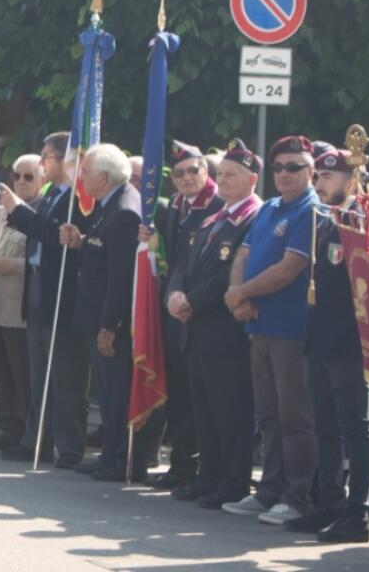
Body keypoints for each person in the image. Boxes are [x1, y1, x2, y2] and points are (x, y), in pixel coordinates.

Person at [222, 135, 319, 525]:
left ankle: (298, 497)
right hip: (258, 324)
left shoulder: (311, 212)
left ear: (310, 171)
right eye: (279, 167)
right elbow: (244, 253)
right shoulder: (271, 208)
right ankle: (270, 491)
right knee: (269, 413)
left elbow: (290, 268)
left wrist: (242, 291)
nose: (284, 174)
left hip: (291, 329)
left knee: (294, 415)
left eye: (294, 167)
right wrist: (235, 293)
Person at [166, 138, 264, 509]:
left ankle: (233, 481)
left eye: (231, 175)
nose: (222, 181)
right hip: (195, 330)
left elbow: (229, 274)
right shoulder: (213, 217)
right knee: (203, 410)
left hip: (224, 332)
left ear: (252, 179)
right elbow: (182, 264)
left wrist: (191, 299)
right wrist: (174, 293)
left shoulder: (254, 217)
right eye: (220, 174)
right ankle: (209, 476)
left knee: (230, 411)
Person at [285, 148, 369, 542]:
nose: (319, 185)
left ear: (351, 179)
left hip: (353, 343)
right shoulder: (325, 220)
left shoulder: (365, 221)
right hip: (321, 338)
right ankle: (329, 502)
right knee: (325, 425)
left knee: (356, 427)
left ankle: (358, 513)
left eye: (327, 177)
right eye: (317, 177)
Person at [0, 131, 90, 466]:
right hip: (38, 289)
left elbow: (51, 234)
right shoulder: (54, 193)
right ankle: (36, 437)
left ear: (66, 159)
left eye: (47, 156)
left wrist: (16, 209)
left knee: (65, 377)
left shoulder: (79, 198)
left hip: (60, 296)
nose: (42, 163)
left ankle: (69, 446)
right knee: (39, 374)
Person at [59, 143, 143, 481]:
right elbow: (99, 257)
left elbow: (120, 278)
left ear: (104, 178)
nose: (81, 177)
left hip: (111, 323)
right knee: (107, 394)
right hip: (97, 316)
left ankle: (123, 458)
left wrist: (110, 325)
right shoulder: (108, 205)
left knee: (117, 392)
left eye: (86, 171)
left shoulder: (123, 211)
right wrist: (82, 242)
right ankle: (111, 454)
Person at [143, 141, 224, 490]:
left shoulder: (219, 205)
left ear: (206, 172)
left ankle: (207, 469)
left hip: (204, 313)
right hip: (174, 308)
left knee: (202, 397)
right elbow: (173, 256)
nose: (187, 177)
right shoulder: (174, 205)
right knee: (178, 392)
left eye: (194, 170)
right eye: (179, 173)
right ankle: (181, 463)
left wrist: (187, 297)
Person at [0, 154, 41, 451]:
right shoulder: (5, 211)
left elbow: (43, 258)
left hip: (19, 307)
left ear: (43, 179)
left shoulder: (38, 212)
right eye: (17, 176)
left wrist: (16, 265)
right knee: (2, 373)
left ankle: (28, 431)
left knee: (21, 374)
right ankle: (8, 427)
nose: (22, 182)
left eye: (29, 177)